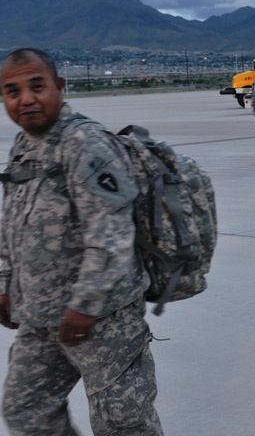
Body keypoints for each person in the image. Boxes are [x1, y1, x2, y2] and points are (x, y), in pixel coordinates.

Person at [0, 48, 163, 434]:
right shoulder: (23, 145)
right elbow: (11, 222)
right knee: (27, 409)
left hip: (103, 320)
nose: (25, 99)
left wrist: (86, 305)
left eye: (37, 86)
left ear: (59, 86)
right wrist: (5, 282)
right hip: (40, 317)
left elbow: (112, 233)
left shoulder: (86, 143)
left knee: (122, 424)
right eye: (12, 91)